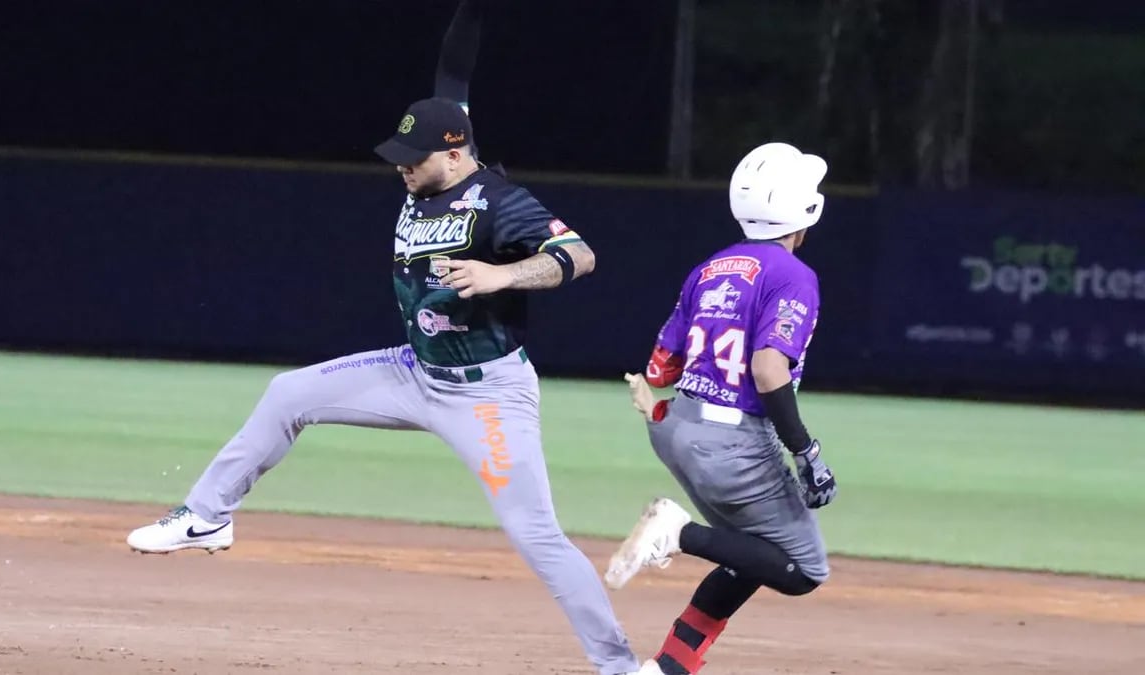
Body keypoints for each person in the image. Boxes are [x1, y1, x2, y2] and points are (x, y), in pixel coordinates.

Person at [126, 3, 643, 673]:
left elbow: (579, 254)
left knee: (536, 534)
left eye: (413, 156)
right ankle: (207, 514)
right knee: (288, 394)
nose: (401, 166)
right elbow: (452, 70)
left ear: (455, 153)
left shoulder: (499, 202)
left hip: (486, 394)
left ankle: (620, 666)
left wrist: (499, 273)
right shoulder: (437, 149)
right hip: (413, 371)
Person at [601, 142, 840, 675]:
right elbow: (768, 370)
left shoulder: (709, 269)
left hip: (678, 428)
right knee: (802, 570)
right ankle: (676, 532)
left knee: (748, 552)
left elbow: (662, 367)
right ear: (804, 210)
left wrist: (658, 400)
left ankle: (665, 668)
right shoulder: (793, 275)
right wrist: (807, 451)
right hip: (733, 447)